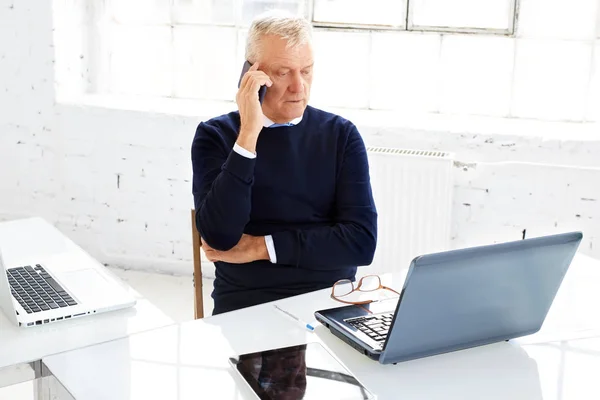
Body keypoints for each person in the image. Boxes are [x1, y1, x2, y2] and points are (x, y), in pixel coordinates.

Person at [191, 10, 377, 315]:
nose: (298, 86)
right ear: (252, 76)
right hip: (247, 305)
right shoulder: (216, 136)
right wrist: (249, 132)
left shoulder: (341, 135)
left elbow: (360, 242)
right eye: (283, 72)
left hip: (330, 302)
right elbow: (220, 237)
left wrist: (257, 247)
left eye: (306, 70)